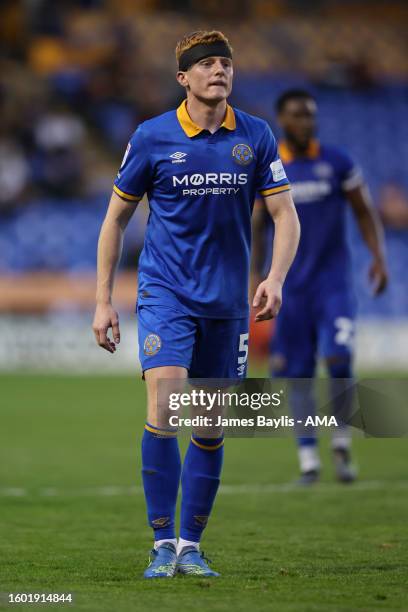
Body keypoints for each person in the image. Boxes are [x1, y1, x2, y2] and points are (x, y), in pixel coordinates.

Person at [92, 31, 300, 577]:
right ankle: (161, 544)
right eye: (206, 64)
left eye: (225, 63)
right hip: (166, 294)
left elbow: (285, 216)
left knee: (208, 426)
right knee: (164, 408)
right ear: (183, 78)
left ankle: (191, 546)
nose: (219, 72)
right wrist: (103, 301)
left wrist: (275, 278)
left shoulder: (254, 135)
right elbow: (114, 219)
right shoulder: (153, 137)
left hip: (227, 304)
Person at [252, 89, 388, 485]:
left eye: (310, 115)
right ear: (282, 119)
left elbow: (364, 210)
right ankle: (309, 458)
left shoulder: (337, 161)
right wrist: (255, 274)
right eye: (297, 115)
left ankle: (342, 441)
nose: (306, 122)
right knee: (297, 373)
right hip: (290, 288)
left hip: (333, 283)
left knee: (339, 359)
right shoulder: (270, 167)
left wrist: (378, 256)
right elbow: (259, 226)